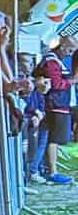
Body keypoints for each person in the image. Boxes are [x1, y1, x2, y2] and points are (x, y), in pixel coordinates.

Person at [36, 54, 74, 185]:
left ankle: (48, 169)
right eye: (69, 50)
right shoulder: (52, 62)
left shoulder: (55, 61)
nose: (69, 53)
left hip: (58, 106)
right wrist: (72, 81)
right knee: (53, 140)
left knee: (51, 141)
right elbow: (56, 84)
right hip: (57, 106)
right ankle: (52, 172)